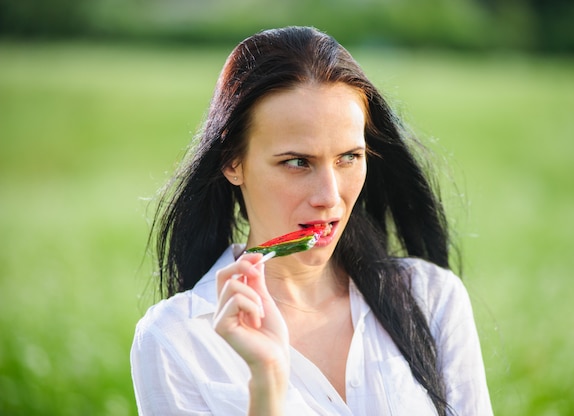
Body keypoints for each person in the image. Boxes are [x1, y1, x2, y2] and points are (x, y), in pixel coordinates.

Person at [131, 26, 493, 416]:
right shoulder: (175, 340)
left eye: (349, 157)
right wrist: (267, 382)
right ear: (232, 162)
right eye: (297, 162)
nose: (330, 196)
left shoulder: (432, 298)